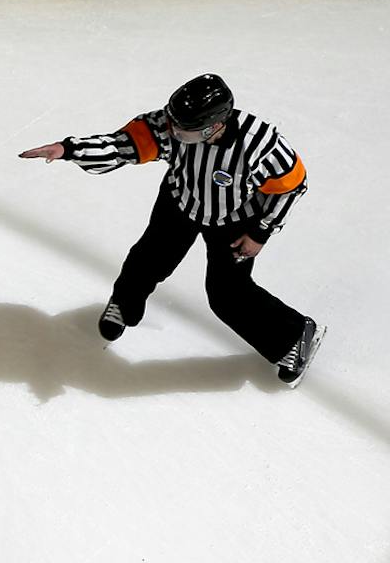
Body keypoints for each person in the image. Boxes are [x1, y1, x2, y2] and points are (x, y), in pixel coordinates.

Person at [20, 73, 325, 386]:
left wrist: (260, 232)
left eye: (185, 131)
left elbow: (292, 185)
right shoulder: (171, 125)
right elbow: (121, 145)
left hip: (235, 219)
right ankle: (124, 305)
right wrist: (69, 149)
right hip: (180, 202)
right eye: (173, 124)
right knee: (148, 258)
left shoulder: (259, 143)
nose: (174, 133)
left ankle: (294, 335)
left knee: (228, 295)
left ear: (214, 125)